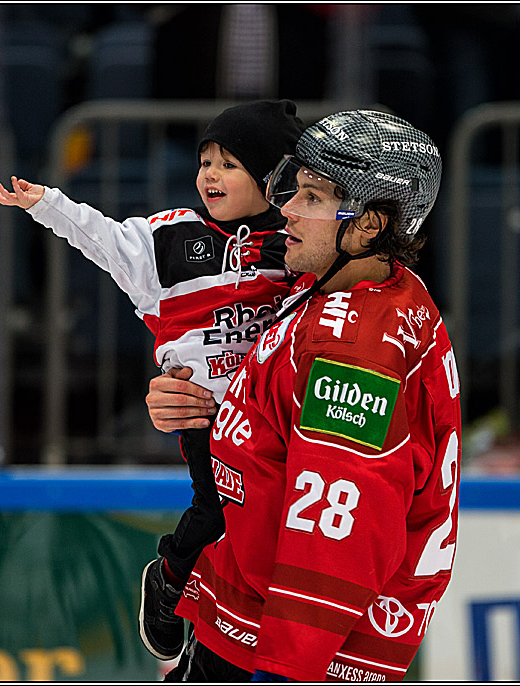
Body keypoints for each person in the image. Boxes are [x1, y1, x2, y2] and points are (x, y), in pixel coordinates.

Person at [146, 110, 461, 681]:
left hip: (286, 645)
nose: (287, 207)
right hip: (247, 615)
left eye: (313, 197)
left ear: (369, 224)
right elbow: (288, 430)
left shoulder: (356, 353)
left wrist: (280, 670)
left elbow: (333, 539)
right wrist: (209, 404)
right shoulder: (346, 286)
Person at [0, 100, 306, 662]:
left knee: (266, 527)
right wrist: (47, 204)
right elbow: (102, 239)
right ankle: (169, 578)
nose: (211, 174)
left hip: (274, 420)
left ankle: (243, 627)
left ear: (273, 177)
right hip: (203, 412)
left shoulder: (300, 245)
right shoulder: (166, 239)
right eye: (206, 160)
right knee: (215, 513)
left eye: (230, 164)